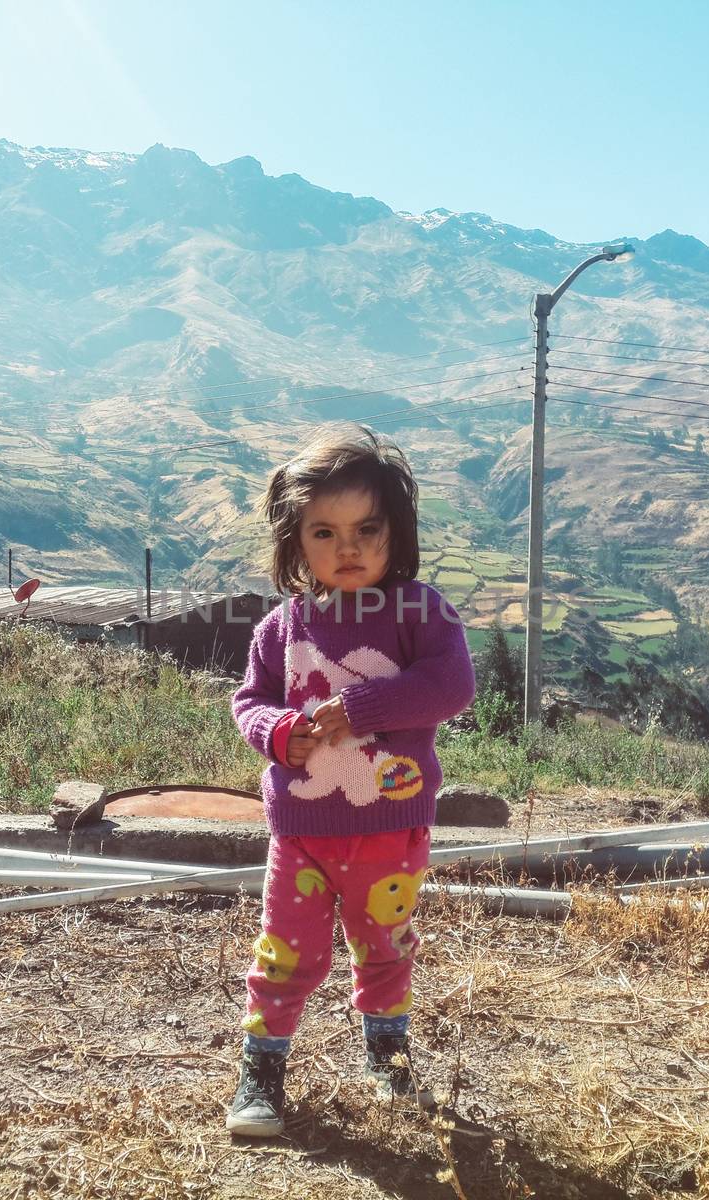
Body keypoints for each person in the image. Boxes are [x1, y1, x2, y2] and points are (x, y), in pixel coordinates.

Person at [226, 424, 476, 1137]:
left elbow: (451, 686)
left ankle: (388, 1060)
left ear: (397, 532)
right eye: (325, 533)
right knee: (282, 955)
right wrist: (277, 732)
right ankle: (262, 1076)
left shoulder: (419, 612)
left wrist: (360, 707)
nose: (350, 548)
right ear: (295, 543)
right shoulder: (281, 626)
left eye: (368, 528)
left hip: (390, 831)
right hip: (301, 834)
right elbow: (250, 700)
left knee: (385, 948)